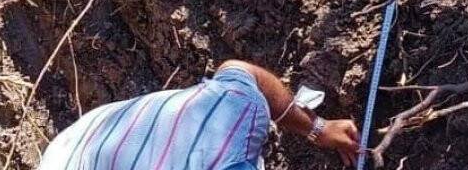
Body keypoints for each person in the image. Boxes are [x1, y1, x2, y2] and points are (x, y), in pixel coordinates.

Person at [37, 59, 360, 169]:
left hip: (90, 137)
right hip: (78, 148)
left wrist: (316, 128)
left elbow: (241, 70)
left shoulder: (234, 110)